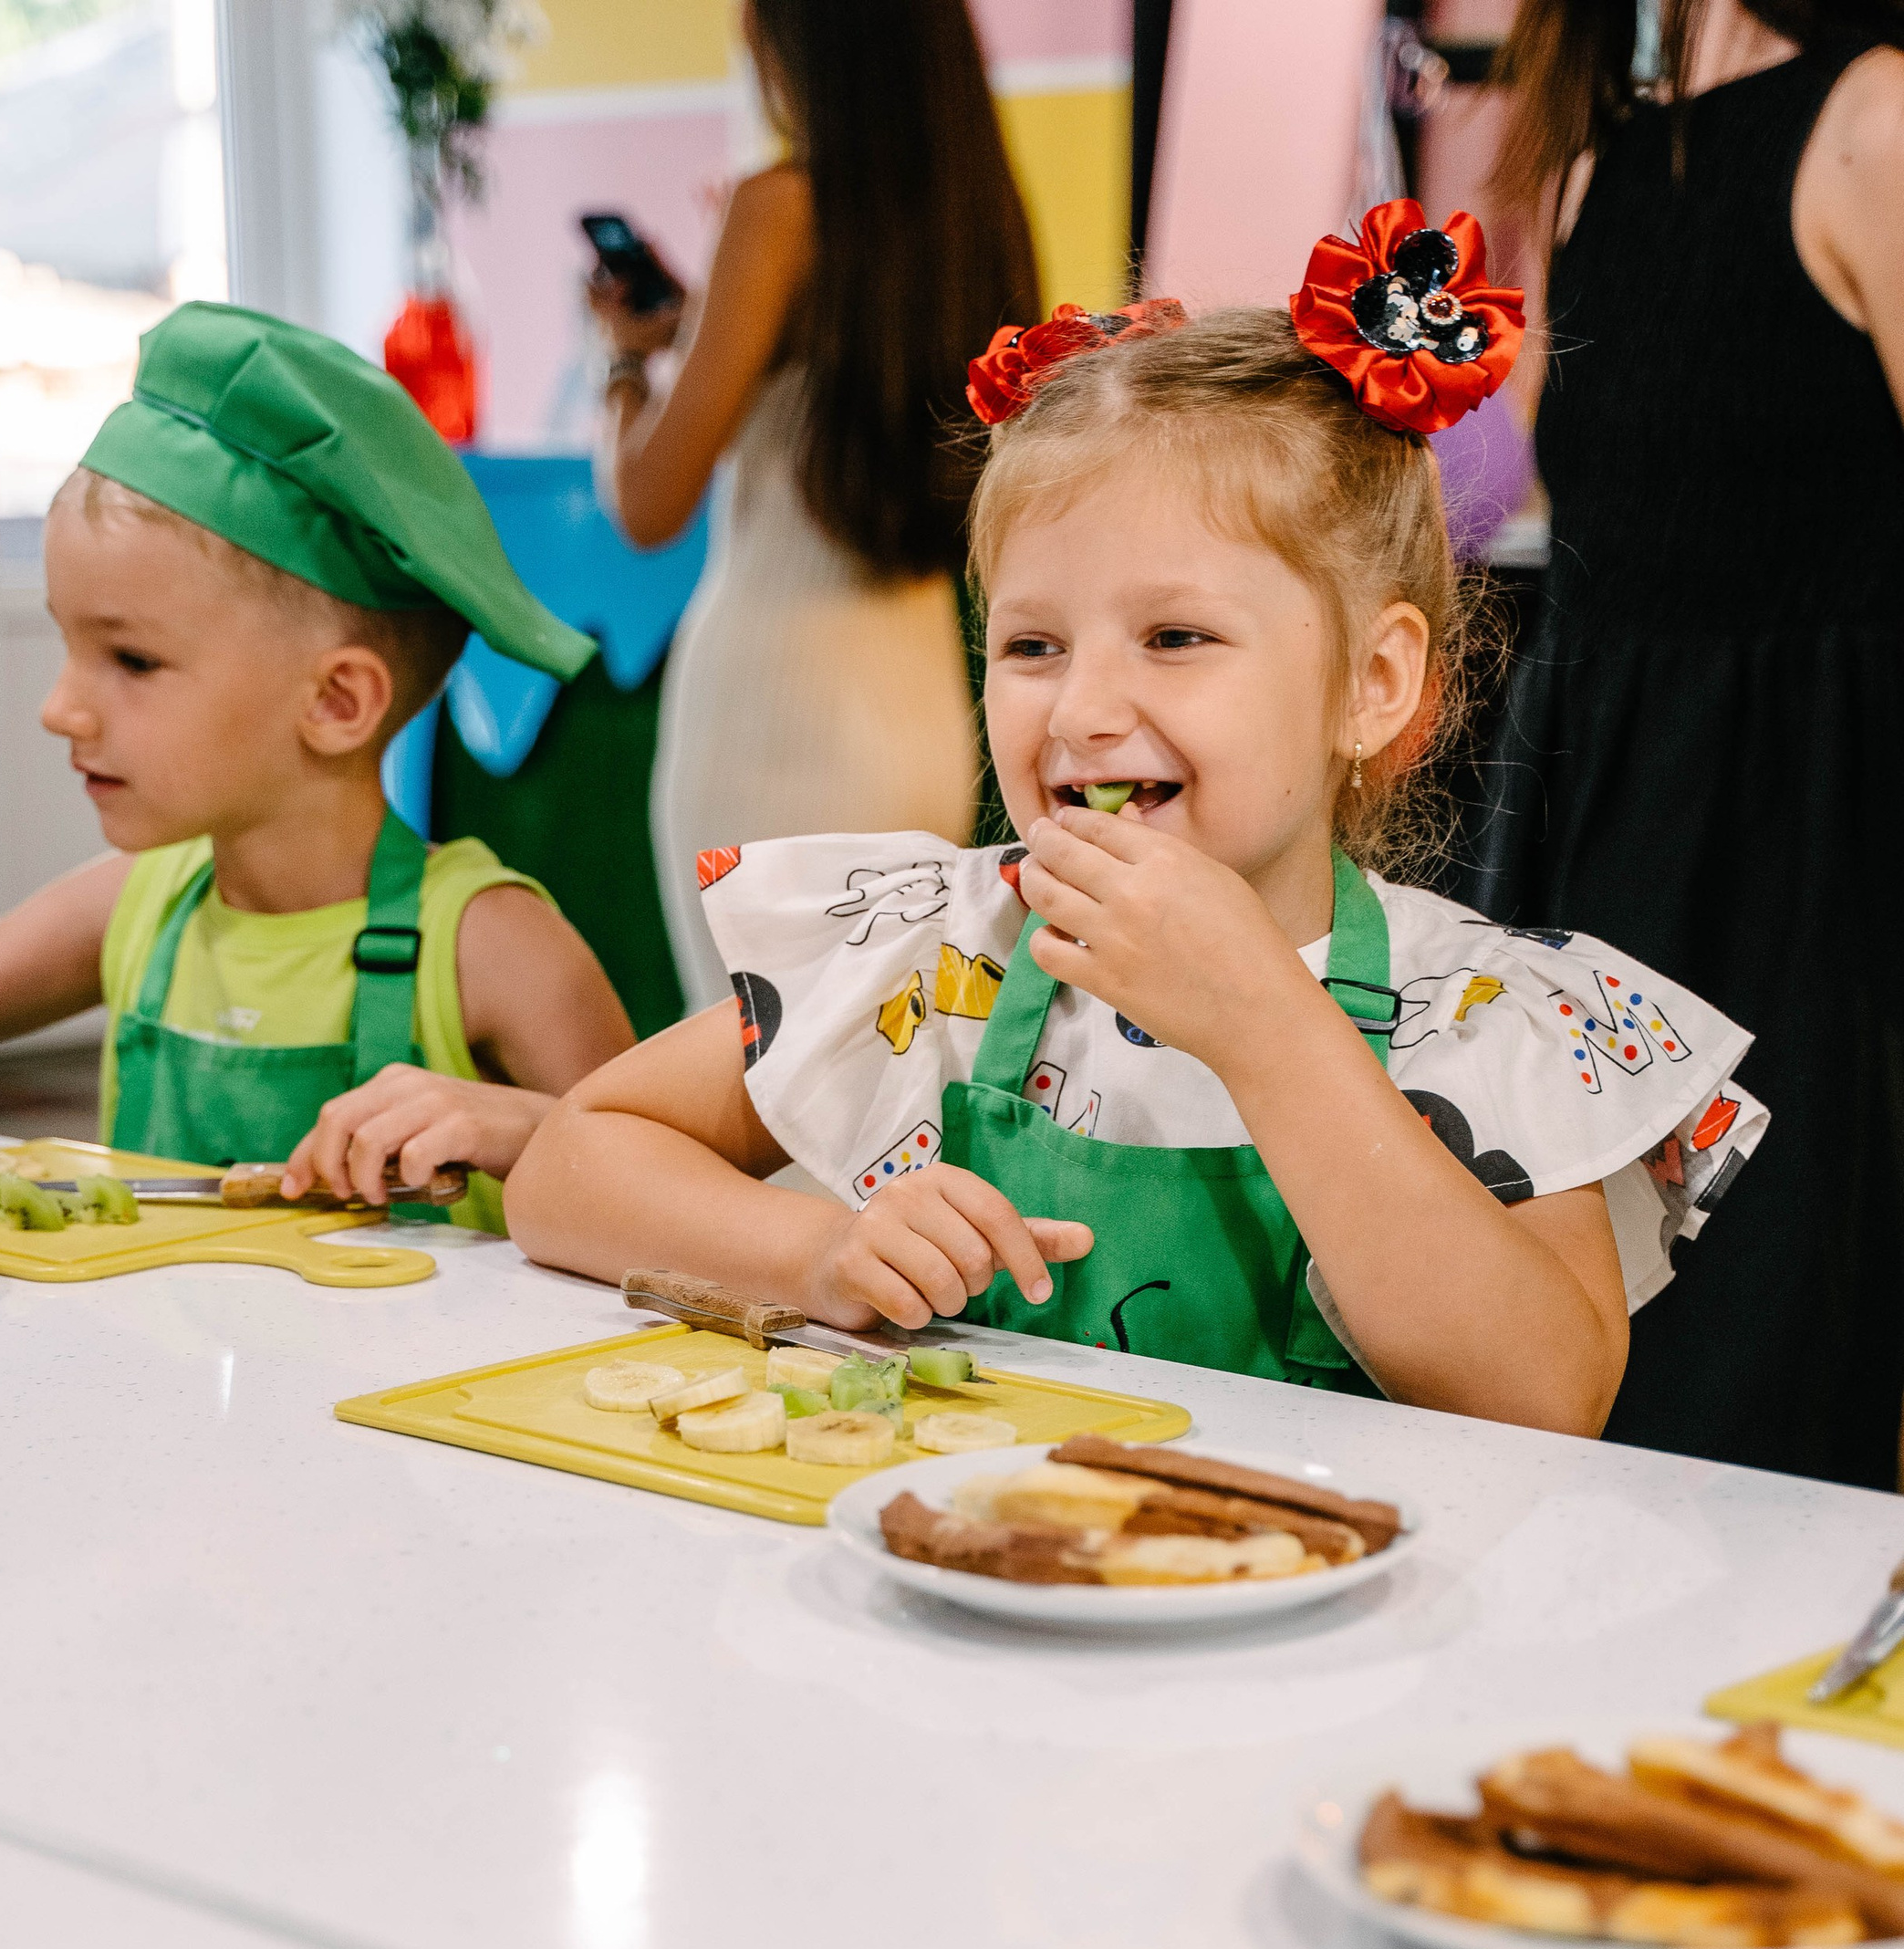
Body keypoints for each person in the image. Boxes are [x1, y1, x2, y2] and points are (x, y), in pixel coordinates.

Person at [509, 214, 1769, 1437]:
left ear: (1373, 684)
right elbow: (574, 1164)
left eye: (1176, 638)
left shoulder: (1483, 1017)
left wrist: (1270, 1026)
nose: (1087, 711)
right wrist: (825, 1249)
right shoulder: (943, 946)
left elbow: (1543, 1394)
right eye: (1033, 644)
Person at [0, 305, 635, 1232]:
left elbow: (669, 1181)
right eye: (69, 645)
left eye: (131, 661)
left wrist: (521, 1128)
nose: (60, 708)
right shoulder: (136, 904)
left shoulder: (495, 946)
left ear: (337, 702)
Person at [1472, 0, 1904, 1484]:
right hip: (1601, 833)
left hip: (1805, 863)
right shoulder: (1600, 159)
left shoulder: (1874, 122)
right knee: (1587, 1351)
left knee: (1761, 1366)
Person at [588, 0, 1037, 1013]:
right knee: (877, 1097)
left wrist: (621, 363)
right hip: (920, 722)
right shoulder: (978, 225)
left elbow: (647, 499)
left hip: (766, 708)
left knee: (752, 1079)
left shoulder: (778, 208)